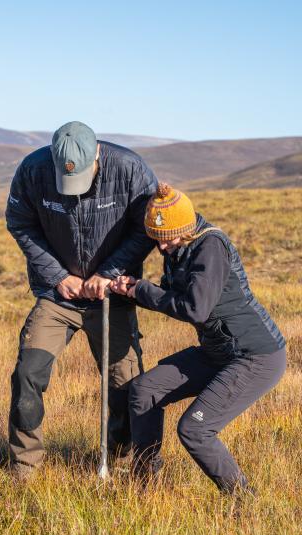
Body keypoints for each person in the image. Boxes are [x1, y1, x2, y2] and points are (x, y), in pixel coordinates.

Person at [111, 182, 286, 493]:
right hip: (217, 351)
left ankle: (243, 500)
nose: (163, 247)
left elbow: (195, 308)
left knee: (195, 429)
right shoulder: (178, 248)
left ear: (187, 227)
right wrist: (131, 290)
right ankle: (144, 486)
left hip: (255, 356)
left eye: (168, 239)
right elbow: (172, 296)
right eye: (157, 240)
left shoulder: (211, 247)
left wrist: (142, 290)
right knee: (144, 390)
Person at [5, 121, 158, 478]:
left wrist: (110, 272)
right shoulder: (33, 170)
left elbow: (147, 228)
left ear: (98, 155)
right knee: (28, 374)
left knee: (124, 384)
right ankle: (23, 471)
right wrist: (59, 277)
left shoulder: (130, 170)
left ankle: (119, 461)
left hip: (112, 297)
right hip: (57, 298)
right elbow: (20, 224)